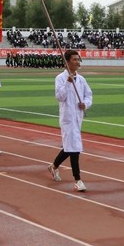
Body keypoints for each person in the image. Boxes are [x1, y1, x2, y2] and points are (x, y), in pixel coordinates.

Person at [48, 50, 93, 192]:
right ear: (67, 62)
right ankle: (78, 180)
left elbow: (88, 95)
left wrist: (85, 104)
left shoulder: (81, 79)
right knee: (75, 148)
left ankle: (54, 166)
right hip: (67, 118)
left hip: (78, 117)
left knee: (70, 146)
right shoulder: (60, 78)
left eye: (78, 59)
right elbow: (60, 97)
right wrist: (68, 83)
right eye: (74, 59)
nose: (77, 62)